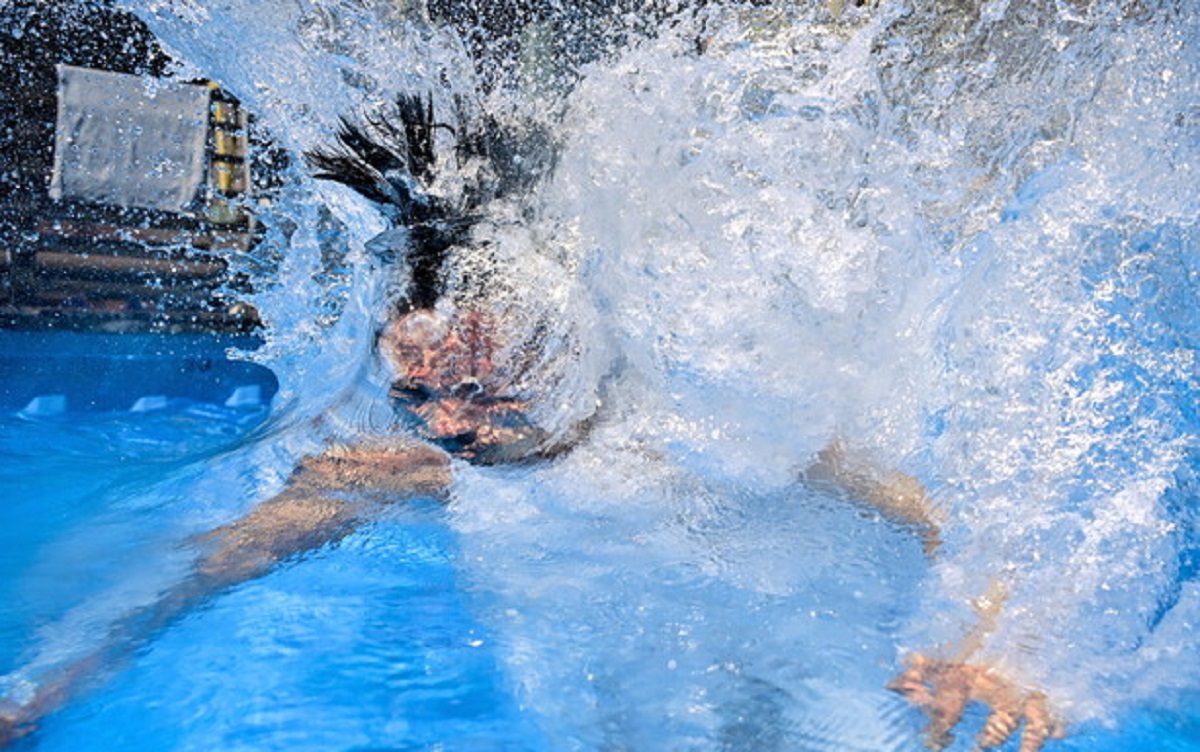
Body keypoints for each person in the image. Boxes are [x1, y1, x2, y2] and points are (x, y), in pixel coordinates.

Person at [0, 94, 1061, 752]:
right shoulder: (432, 458)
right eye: (419, 398)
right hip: (627, 693)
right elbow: (221, 557)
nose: (453, 429)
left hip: (825, 668)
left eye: (481, 389)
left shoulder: (717, 423)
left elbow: (946, 510)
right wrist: (62, 672)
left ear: (560, 347)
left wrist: (994, 650)